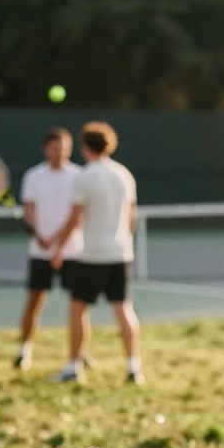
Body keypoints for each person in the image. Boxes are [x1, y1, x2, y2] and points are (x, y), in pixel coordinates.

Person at [49, 121, 144, 385]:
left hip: (92, 255)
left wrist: (58, 249)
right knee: (124, 309)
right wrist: (123, 240)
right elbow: (132, 217)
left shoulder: (85, 176)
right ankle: (133, 368)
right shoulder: (124, 174)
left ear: (84, 147)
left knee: (78, 308)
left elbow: (74, 219)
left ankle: (72, 367)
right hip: (121, 253)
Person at [14, 127, 84, 370]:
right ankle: (24, 351)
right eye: (55, 148)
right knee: (34, 300)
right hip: (40, 252)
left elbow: (79, 214)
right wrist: (40, 236)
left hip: (73, 252)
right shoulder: (34, 177)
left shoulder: (79, 176)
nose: (59, 152)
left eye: (64, 147)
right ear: (46, 149)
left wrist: (58, 242)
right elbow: (29, 210)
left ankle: (80, 354)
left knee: (78, 306)